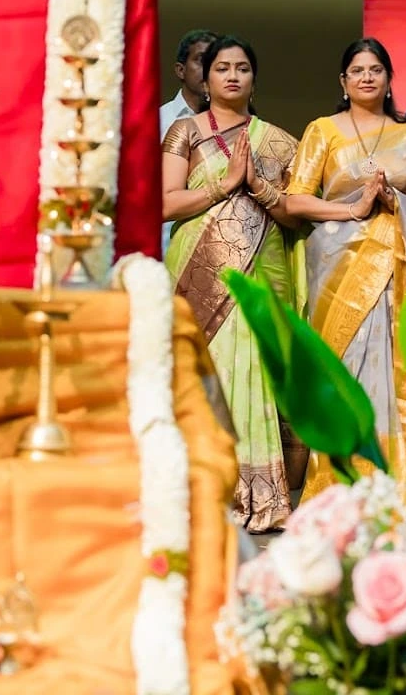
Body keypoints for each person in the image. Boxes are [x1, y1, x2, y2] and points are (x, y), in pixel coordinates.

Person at [285, 37, 406, 521]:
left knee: (401, 369)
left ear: (388, 79)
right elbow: (295, 199)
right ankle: (345, 488)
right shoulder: (322, 130)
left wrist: (394, 202)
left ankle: (404, 486)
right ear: (343, 82)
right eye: (357, 70)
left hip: (403, 268)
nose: (367, 77)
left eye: (376, 70)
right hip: (339, 270)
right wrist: (353, 208)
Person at [162, 35, 301, 533]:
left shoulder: (280, 142)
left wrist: (260, 188)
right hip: (198, 272)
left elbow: (294, 215)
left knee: (254, 371)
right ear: (205, 79)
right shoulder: (185, 131)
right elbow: (165, 203)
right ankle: (200, 490)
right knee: (207, 374)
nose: (233, 76)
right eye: (222, 68)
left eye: (242, 68)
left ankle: (258, 494)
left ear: (254, 80)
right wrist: (224, 185)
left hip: (260, 273)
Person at [160, 29, 218, 252]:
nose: (209, 69)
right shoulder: (159, 122)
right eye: (201, 60)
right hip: (166, 245)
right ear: (180, 70)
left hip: (216, 246)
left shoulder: (233, 126)